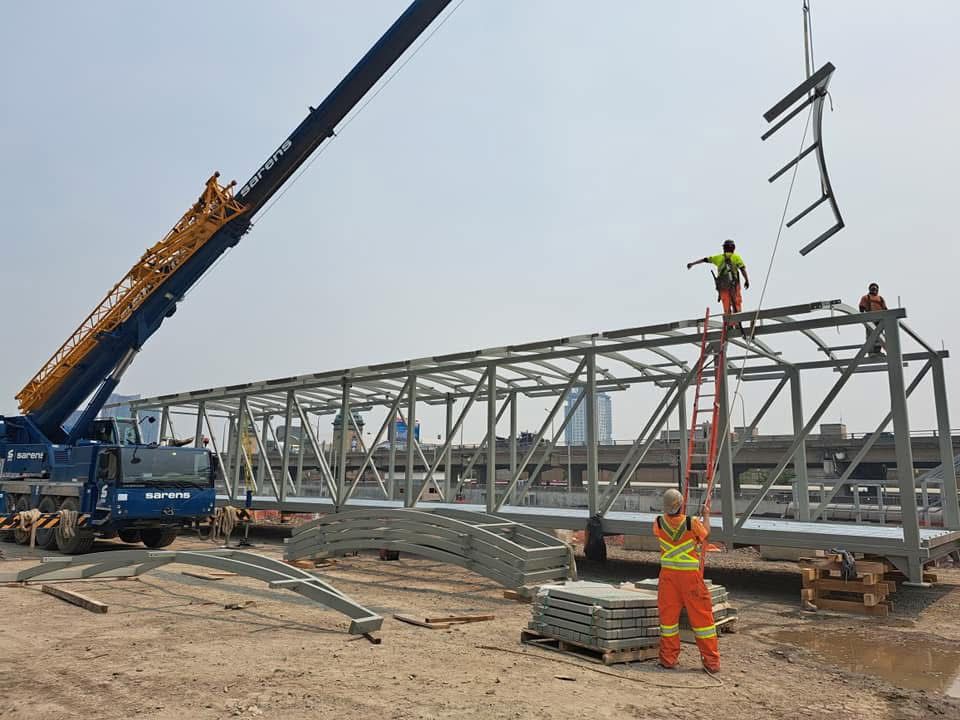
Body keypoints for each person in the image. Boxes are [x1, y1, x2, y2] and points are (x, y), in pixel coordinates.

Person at [652, 488, 720, 673]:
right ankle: (711, 662)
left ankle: (668, 659)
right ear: (682, 504)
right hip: (690, 578)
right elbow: (706, 534)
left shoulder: (658, 523)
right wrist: (706, 515)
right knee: (702, 620)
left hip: (668, 578)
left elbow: (668, 533)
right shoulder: (692, 523)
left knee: (668, 621)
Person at [687, 239, 750, 316]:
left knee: (726, 306)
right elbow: (742, 269)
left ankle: (729, 324)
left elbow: (705, 259)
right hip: (734, 286)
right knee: (736, 303)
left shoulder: (718, 258)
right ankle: (737, 322)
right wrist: (747, 280)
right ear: (733, 248)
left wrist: (692, 264)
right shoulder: (736, 257)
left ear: (724, 248)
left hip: (723, 287)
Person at [858, 283, 887, 355]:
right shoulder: (866, 297)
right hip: (870, 319)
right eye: (873, 289)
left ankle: (877, 351)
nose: (875, 290)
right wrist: (864, 318)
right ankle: (871, 352)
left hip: (879, 320)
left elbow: (885, 309)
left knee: (880, 336)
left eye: (876, 289)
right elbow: (861, 307)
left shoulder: (880, 298)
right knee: (870, 336)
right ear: (870, 289)